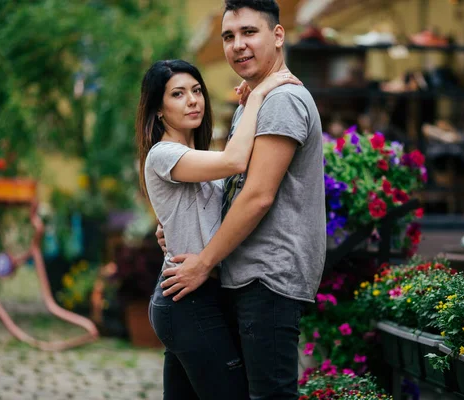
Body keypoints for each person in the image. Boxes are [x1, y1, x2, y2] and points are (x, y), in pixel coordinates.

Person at [158, 1, 326, 398]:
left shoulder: (281, 101)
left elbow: (257, 197)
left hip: (267, 276)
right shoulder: (256, 101)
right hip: (246, 274)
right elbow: (232, 185)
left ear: (278, 35)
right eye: (229, 36)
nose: (237, 45)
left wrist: (203, 263)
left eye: (250, 32)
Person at [136, 59, 301, 400]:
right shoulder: (162, 154)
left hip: (199, 297)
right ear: (160, 111)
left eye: (196, 91)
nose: (193, 100)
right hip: (187, 302)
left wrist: (245, 108)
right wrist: (259, 95)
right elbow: (235, 161)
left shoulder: (195, 156)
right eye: (178, 94)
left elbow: (224, 192)